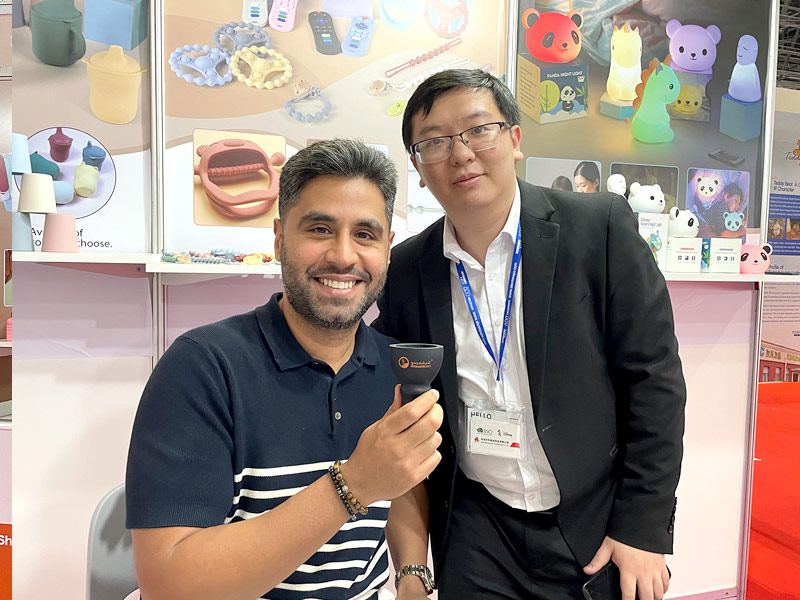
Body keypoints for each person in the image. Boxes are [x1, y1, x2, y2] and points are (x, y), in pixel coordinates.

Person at [372, 69, 686, 600]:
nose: (461, 153)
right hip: (476, 527)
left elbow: (654, 381)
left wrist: (642, 527)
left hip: (591, 519)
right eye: (435, 142)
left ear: (515, 139)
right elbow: (399, 400)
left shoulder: (599, 228)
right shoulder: (405, 269)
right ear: (418, 168)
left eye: (478, 129)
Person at [125, 139, 444, 600]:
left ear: (388, 248)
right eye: (319, 229)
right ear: (279, 238)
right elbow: (168, 585)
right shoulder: (203, 368)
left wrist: (412, 576)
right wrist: (354, 483)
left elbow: (400, 476)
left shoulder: (398, 366)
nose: (343, 256)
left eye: (365, 235)